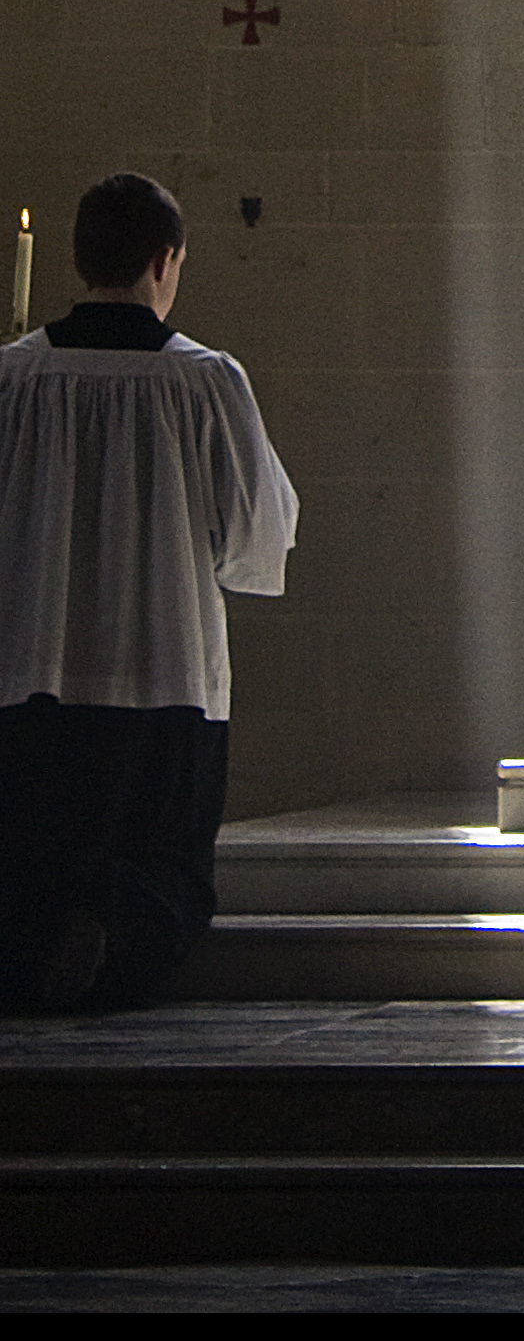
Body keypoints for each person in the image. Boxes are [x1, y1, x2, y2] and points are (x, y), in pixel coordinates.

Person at [0, 172, 299, 1012]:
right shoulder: (204, 381)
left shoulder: (14, 379)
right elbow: (257, 533)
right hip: (163, 674)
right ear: (165, 261)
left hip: (28, 672)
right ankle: (110, 952)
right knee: (156, 865)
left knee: (32, 856)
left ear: (76, 258)